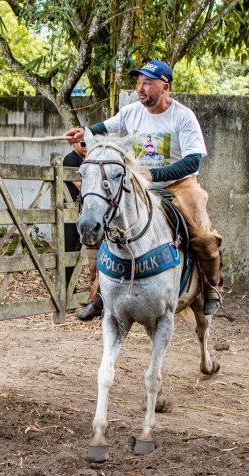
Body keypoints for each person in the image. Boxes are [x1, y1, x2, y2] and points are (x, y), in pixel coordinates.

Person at [64, 60, 223, 316]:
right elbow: (106, 127)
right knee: (113, 223)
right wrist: (83, 132)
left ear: (165, 87)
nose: (141, 88)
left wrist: (155, 174)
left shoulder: (183, 116)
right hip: (139, 185)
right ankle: (102, 294)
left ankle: (211, 285)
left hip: (178, 185)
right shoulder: (131, 111)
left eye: (148, 83)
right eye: (139, 82)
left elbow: (194, 160)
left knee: (202, 236)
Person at [62, 140, 105, 320]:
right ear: (73, 144)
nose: (85, 145)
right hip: (73, 210)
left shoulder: (92, 159)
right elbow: (81, 185)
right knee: (70, 248)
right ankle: (66, 289)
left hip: (90, 212)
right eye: (82, 142)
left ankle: (96, 296)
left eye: (88, 142)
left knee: (94, 256)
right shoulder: (70, 159)